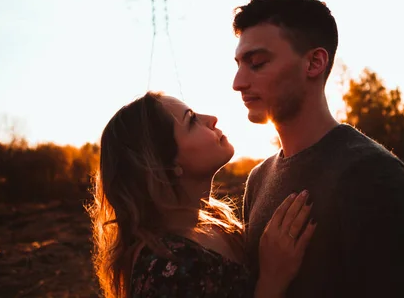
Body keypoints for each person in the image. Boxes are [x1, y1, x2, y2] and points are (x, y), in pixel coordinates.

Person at [232, 0, 404, 297]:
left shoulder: (374, 176)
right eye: (239, 64)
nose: (238, 82)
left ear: (315, 63)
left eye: (257, 63)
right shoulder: (258, 179)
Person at [88, 91, 317, 298]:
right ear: (165, 165)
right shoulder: (164, 271)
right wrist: (272, 281)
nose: (211, 118)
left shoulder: (217, 225)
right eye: (191, 120)